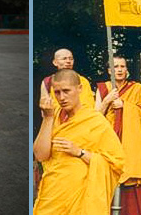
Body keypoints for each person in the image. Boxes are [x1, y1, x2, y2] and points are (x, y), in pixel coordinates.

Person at [33, 69, 125, 215]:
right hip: (53, 194)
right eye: (57, 92)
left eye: (66, 91)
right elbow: (40, 155)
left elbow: (115, 163)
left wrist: (80, 152)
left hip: (82, 197)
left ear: (79, 89)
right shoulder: (53, 116)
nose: (62, 97)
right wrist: (47, 118)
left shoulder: (95, 121)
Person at [95, 56, 141, 215]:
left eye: (122, 66)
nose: (119, 70)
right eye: (115, 67)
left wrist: (125, 106)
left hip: (131, 143)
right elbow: (95, 117)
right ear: (109, 71)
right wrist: (107, 101)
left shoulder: (138, 89)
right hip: (109, 138)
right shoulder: (103, 88)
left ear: (127, 70)